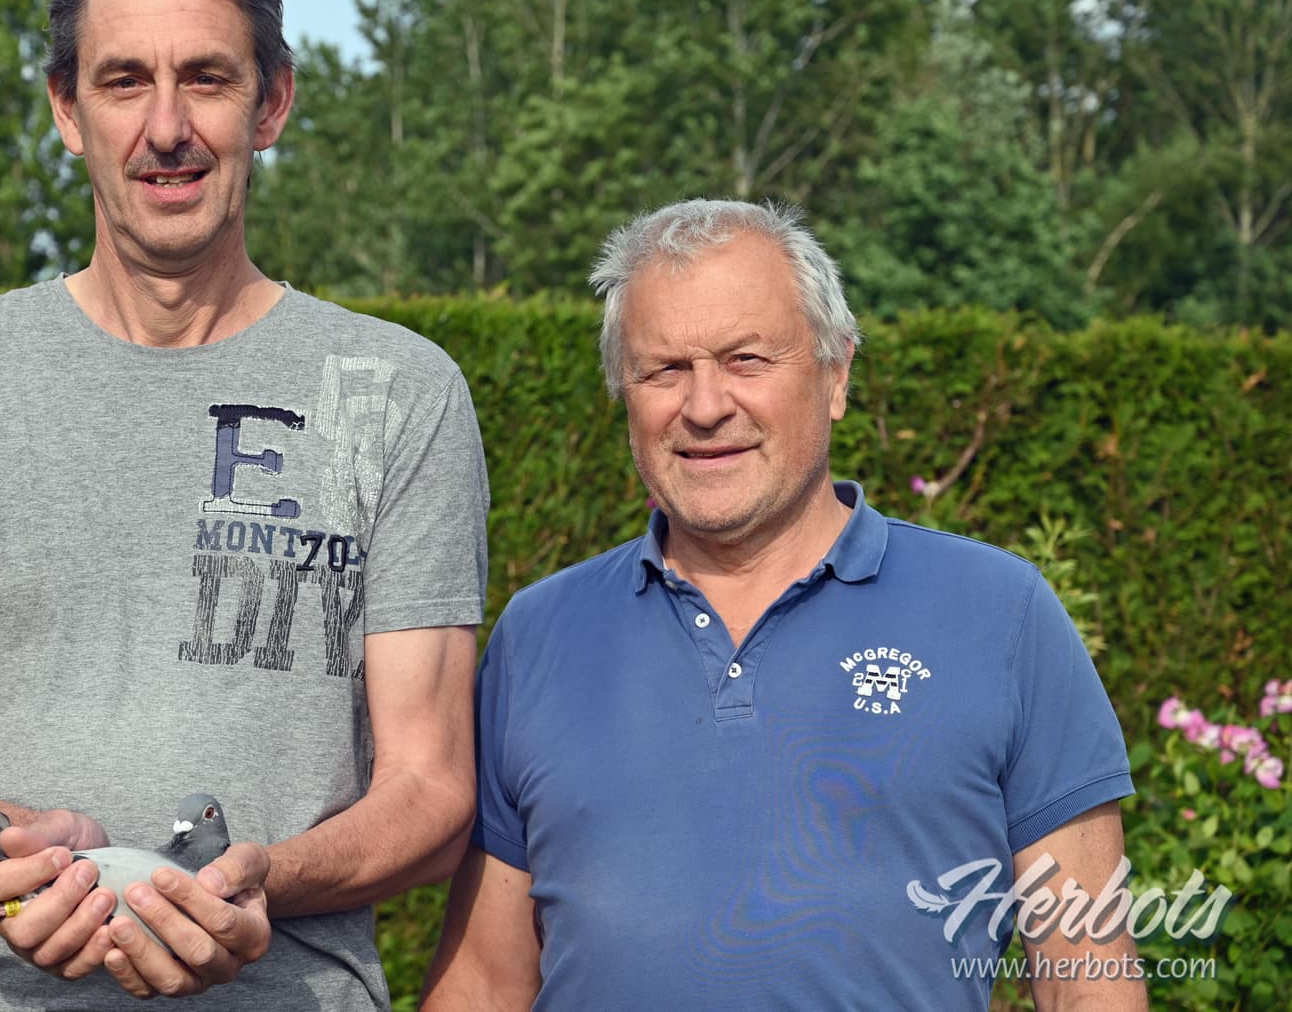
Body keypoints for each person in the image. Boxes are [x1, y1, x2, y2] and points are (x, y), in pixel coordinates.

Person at [0, 0, 489, 1011]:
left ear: (271, 104)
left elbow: (430, 790)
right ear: (66, 108)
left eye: (207, 79)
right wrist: (14, 849)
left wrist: (260, 881)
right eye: (124, 81)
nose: (165, 127)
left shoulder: (399, 391)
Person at [422, 199, 1146, 1011]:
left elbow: (1087, 979)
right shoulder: (540, 635)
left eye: (746, 359)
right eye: (665, 369)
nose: (705, 407)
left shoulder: (1000, 616)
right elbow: (484, 983)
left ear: (837, 375)